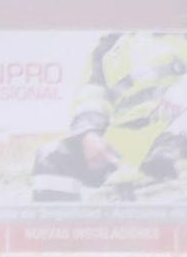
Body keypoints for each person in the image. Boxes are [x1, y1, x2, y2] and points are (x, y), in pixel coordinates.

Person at [32, 32, 187, 202]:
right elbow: (92, 94)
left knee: (167, 160)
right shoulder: (111, 44)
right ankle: (56, 225)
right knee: (53, 157)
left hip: (175, 139)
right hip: (123, 143)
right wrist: (89, 134)